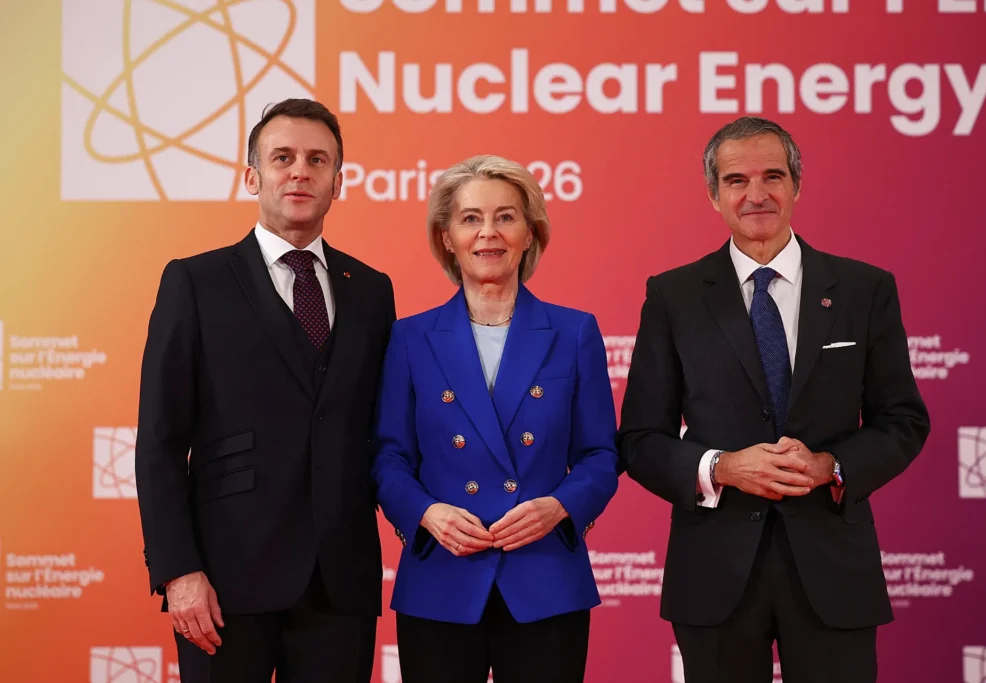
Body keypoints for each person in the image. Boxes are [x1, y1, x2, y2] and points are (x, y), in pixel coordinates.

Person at [616, 116, 930, 683]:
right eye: (736, 180)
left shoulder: (865, 289)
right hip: (714, 572)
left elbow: (903, 419)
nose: (755, 194)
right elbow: (640, 439)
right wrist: (723, 468)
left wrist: (831, 466)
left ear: (797, 185)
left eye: (772, 177)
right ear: (713, 194)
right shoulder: (672, 296)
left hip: (834, 567)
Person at [135, 98, 395, 682]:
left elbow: (381, 431)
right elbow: (159, 441)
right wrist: (178, 570)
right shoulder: (195, 281)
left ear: (338, 182)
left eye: (317, 160)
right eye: (282, 158)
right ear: (252, 177)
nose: (300, 171)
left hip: (340, 584)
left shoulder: (372, 290)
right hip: (223, 584)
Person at [371, 154, 619, 683]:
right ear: (447, 238)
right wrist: (427, 513)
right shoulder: (410, 337)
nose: (489, 233)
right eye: (471, 219)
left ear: (530, 234)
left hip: (545, 578)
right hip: (442, 576)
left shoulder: (574, 332)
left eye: (506, 217)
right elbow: (389, 457)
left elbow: (600, 455)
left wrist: (558, 506)